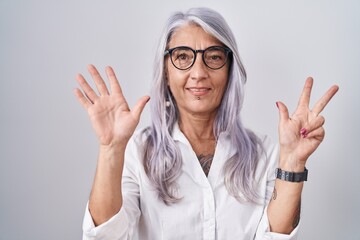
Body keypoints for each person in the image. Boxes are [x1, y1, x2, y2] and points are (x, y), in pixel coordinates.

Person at [74, 7, 339, 240]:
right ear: (165, 72)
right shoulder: (136, 152)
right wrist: (110, 149)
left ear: (229, 70)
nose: (198, 73)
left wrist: (292, 163)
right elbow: (105, 237)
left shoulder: (264, 152)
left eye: (213, 57)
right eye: (182, 56)